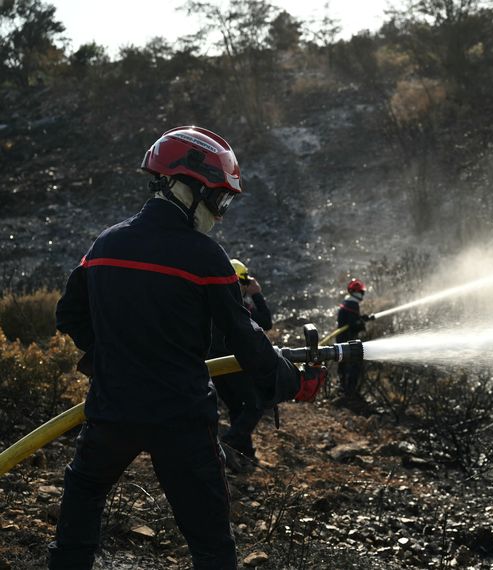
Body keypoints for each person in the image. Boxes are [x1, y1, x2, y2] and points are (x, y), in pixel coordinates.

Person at [49, 126, 326, 570]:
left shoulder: (104, 245)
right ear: (184, 185)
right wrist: (294, 382)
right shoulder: (204, 256)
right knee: (211, 545)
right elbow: (247, 341)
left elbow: (69, 316)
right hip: (181, 420)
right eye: (218, 199)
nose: (220, 213)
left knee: (80, 512)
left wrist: (109, 358)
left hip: (111, 410)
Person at [209, 258, 273, 469]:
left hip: (215, 366)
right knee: (254, 406)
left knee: (237, 408)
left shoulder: (209, 302)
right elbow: (266, 321)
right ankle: (226, 445)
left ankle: (245, 454)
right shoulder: (237, 306)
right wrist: (256, 294)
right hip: (235, 364)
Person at [335, 278, 374, 400]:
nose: (362, 294)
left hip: (342, 339)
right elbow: (353, 325)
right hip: (348, 341)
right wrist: (361, 324)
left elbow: (351, 320)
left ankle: (343, 389)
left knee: (343, 365)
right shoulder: (353, 304)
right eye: (362, 292)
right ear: (357, 292)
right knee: (353, 366)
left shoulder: (347, 303)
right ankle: (349, 394)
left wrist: (363, 318)